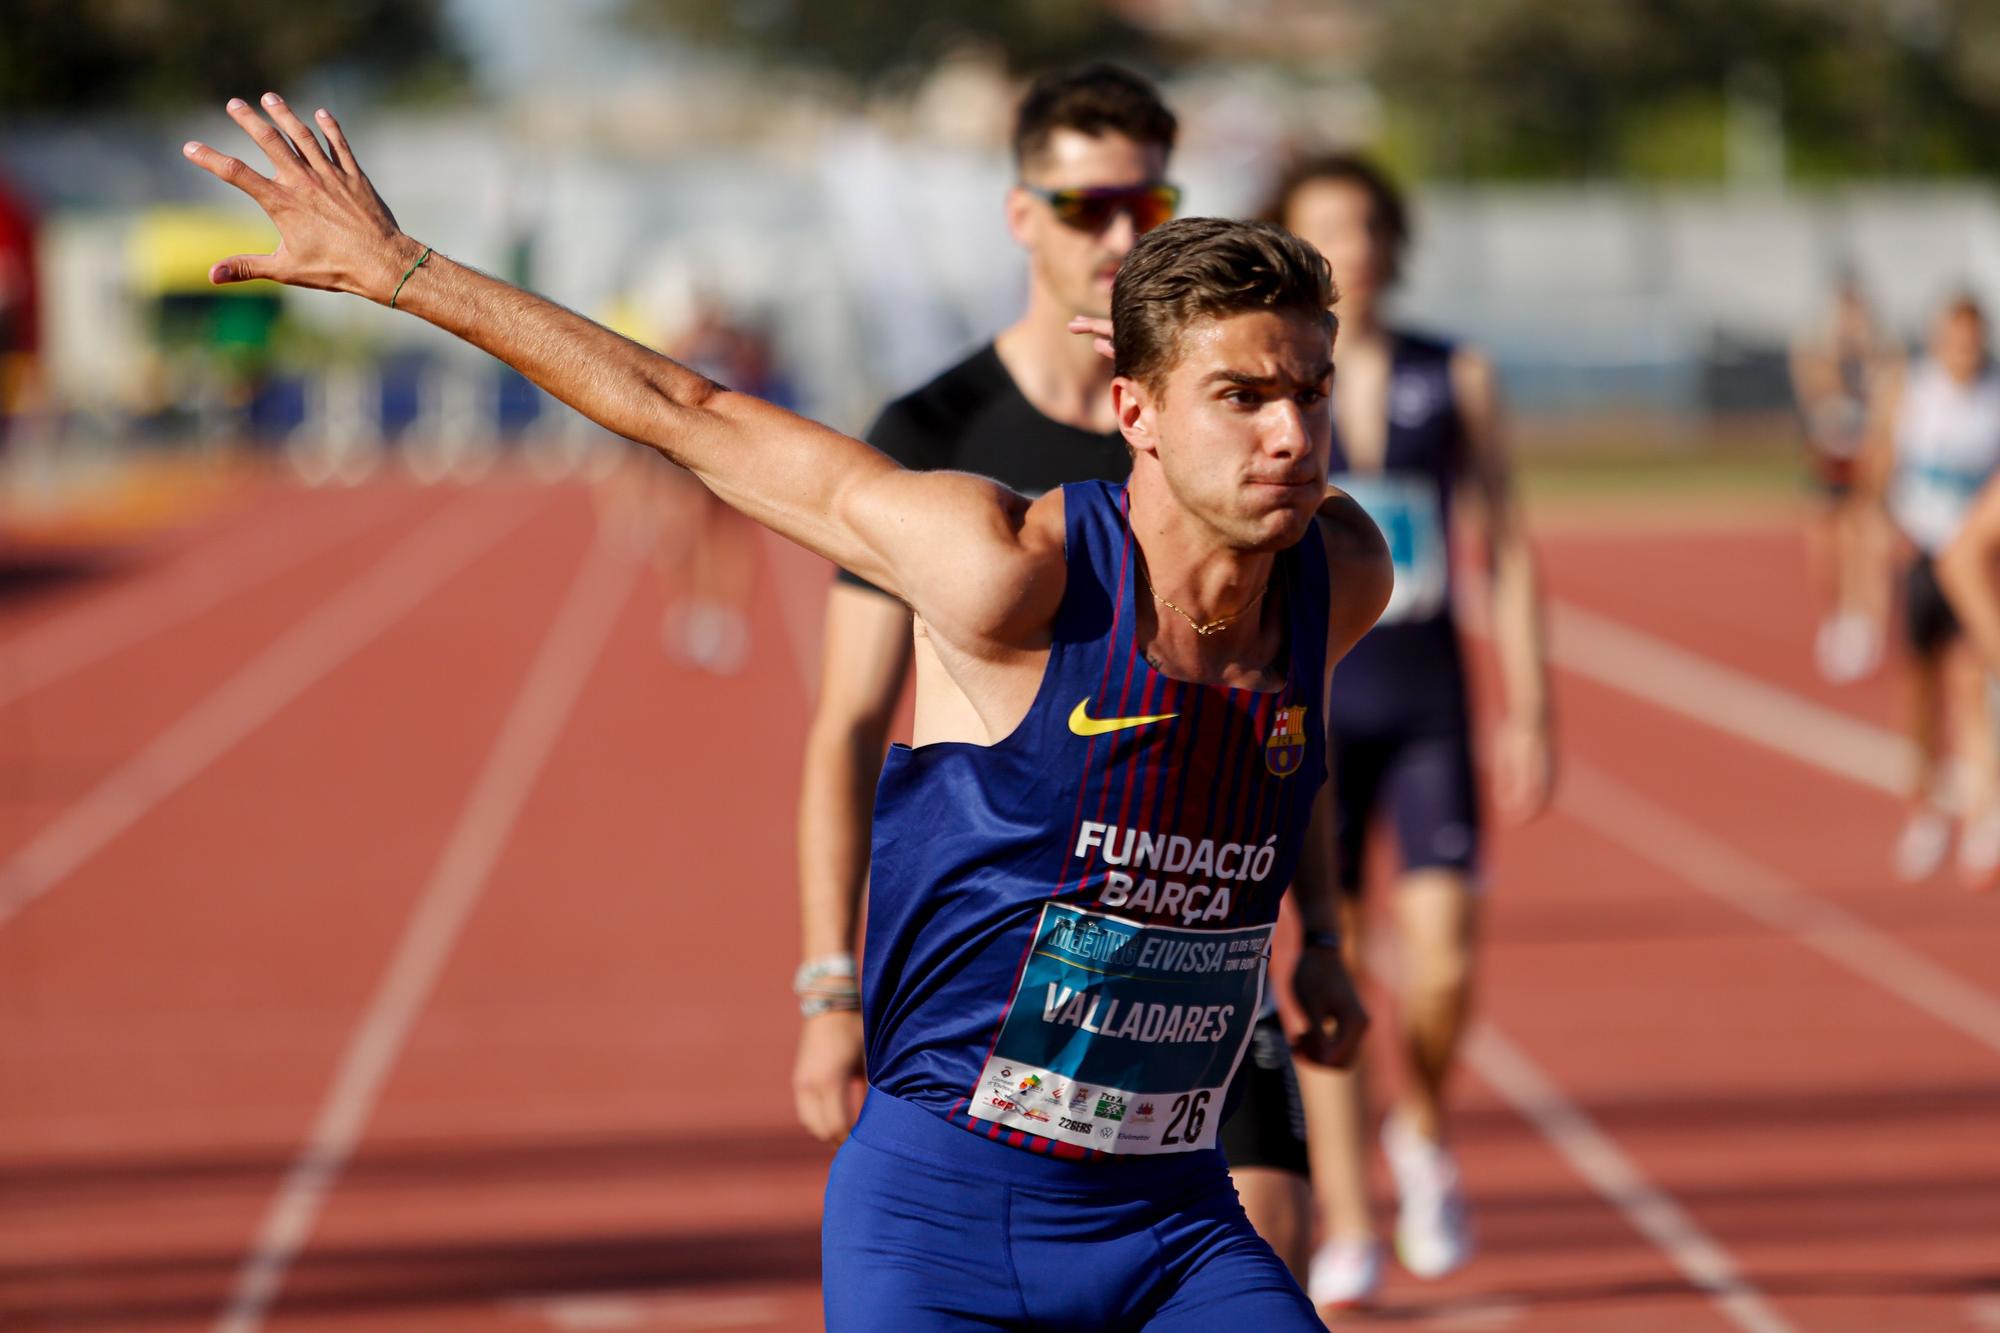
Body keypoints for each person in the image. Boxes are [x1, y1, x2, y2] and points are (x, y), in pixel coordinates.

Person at [184, 93, 1388, 1327]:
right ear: (1133, 412)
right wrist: (407, 273)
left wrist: (1329, 938)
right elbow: (684, 415)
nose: (1291, 435)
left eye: (1311, 392)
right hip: (945, 1224)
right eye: (1240, 398)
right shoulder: (1009, 575)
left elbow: (1283, 763)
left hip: (1177, 1225)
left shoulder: (1340, 575)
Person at [790, 62, 1317, 1275]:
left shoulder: (1227, 420)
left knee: (1274, 1234)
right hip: (1020, 974)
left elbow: (1283, 701)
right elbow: (850, 724)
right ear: (1021, 213)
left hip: (1194, 954)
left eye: (1148, 200)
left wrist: (1323, 927)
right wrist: (828, 987)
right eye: (1086, 206)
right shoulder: (939, 434)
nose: (1120, 231)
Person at [1261, 153, 1554, 1310]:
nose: (1355, 246)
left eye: (1368, 224)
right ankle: (1345, 1211)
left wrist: (1530, 704)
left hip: (1428, 696)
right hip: (1312, 701)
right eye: (1326, 225)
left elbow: (1509, 550)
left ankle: (1420, 1121)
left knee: (1441, 967)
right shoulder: (1259, 381)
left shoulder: (1455, 374)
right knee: (1321, 964)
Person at [1866, 293, 2000, 887]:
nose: (1965, 354)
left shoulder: (1995, 397)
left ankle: (1980, 812)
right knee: (1919, 696)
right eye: (1956, 342)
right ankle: (1923, 809)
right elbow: (1881, 463)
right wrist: (1884, 526)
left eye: (1975, 343)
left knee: (1971, 683)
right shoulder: (1914, 391)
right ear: (1939, 340)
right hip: (1922, 553)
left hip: (1977, 557)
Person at [1790, 274, 1896, 682]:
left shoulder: (1880, 357)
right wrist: (1838, 352)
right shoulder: (1819, 352)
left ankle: (1863, 624)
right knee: (1825, 553)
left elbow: (1889, 402)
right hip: (1824, 467)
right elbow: (1816, 390)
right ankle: (1835, 617)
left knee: (1865, 546)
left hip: (1864, 469)